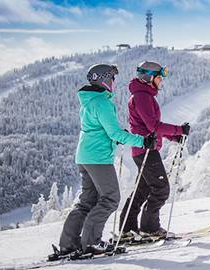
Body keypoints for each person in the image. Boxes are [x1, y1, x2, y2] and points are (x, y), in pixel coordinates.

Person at [58, 64, 157, 255]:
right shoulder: (102, 103)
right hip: (98, 158)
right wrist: (143, 141)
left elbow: (102, 131)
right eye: (111, 77)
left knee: (87, 201)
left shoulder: (89, 101)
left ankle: (68, 244)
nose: (113, 81)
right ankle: (92, 242)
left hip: (85, 156)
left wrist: (117, 138)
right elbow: (114, 132)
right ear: (103, 79)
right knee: (111, 198)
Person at [119, 61, 190, 239]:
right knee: (161, 188)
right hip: (146, 151)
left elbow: (150, 127)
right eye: (159, 78)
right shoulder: (142, 97)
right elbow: (153, 125)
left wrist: (174, 136)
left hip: (142, 149)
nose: (161, 81)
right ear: (150, 78)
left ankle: (127, 229)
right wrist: (179, 129)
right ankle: (149, 228)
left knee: (142, 191)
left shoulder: (143, 96)